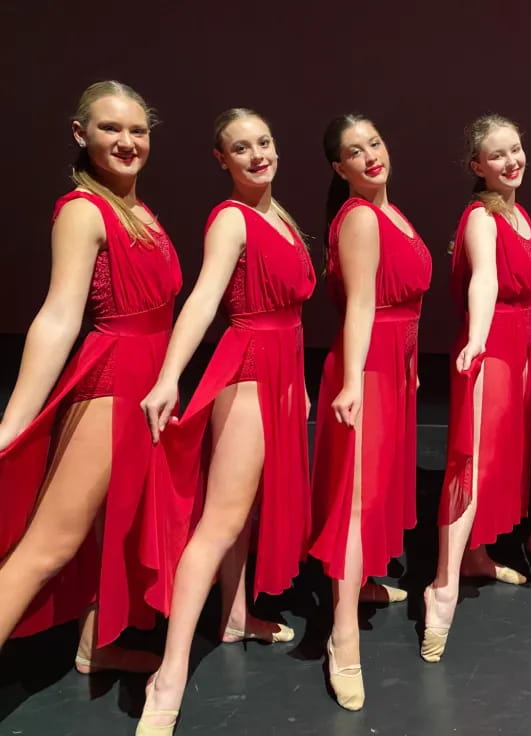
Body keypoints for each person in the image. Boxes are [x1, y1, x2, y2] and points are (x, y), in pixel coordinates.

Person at [136, 108, 315, 735]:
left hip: (283, 370)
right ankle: (170, 671)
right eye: (241, 148)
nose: (258, 154)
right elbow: (205, 299)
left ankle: (236, 615)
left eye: (264, 141)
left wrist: (299, 390)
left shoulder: (279, 216)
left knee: (246, 512)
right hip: (247, 369)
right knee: (220, 521)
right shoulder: (233, 220)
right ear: (222, 160)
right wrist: (168, 377)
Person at [0, 81, 180, 673]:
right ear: (81, 135)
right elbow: (57, 317)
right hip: (111, 381)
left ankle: (93, 650)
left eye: (137, 130)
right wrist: (14, 423)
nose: (127, 142)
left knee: (117, 527)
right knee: (48, 545)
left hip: (149, 381)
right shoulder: (84, 209)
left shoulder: (140, 209)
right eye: (110, 129)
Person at [308, 114, 432, 710]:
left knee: (375, 487)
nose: (370, 156)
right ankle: (342, 633)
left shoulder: (392, 211)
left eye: (375, 143)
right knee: (355, 498)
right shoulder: (359, 217)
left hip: (394, 365)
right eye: (355, 152)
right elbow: (359, 306)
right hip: (368, 367)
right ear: (340, 168)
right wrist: (355, 381)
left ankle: (360, 586)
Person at [422, 114, 531, 662]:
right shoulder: (481, 216)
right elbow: (485, 279)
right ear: (477, 167)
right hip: (490, 346)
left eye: (515, 150)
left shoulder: (522, 215)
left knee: (498, 461)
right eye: (497, 155)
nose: (510, 161)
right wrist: (476, 338)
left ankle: (476, 554)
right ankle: (442, 584)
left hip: (519, 348)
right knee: (471, 464)